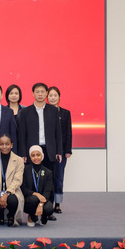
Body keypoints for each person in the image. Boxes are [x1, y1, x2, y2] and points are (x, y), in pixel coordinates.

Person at [17, 82, 63, 175]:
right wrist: (23, 154)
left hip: (49, 151)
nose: (40, 94)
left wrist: (59, 152)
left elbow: (58, 133)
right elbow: (22, 135)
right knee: (32, 178)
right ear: (33, 94)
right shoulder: (25, 112)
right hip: (32, 151)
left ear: (46, 93)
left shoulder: (53, 110)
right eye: (37, 92)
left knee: (49, 178)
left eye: (42, 92)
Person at [0, 134, 24, 226]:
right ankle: (0, 215)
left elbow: (17, 180)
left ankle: (11, 216)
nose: (4, 147)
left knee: (13, 200)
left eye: (7, 144)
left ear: (12, 145)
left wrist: (6, 194)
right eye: (1, 144)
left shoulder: (19, 160)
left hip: (12, 191)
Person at [47, 86, 72, 214]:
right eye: (50, 95)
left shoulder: (65, 113)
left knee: (59, 177)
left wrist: (67, 150)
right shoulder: (44, 112)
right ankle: (47, 202)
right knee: (48, 177)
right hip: (47, 150)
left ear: (59, 97)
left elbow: (68, 133)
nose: (53, 98)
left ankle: (57, 204)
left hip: (61, 150)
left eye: (55, 95)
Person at [21, 145, 54, 227]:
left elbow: (48, 191)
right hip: (29, 199)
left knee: (49, 208)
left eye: (38, 155)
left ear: (42, 156)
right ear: (30, 157)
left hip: (43, 199)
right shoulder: (25, 170)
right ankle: (32, 215)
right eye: (33, 155)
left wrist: (41, 204)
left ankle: (44, 215)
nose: (36, 158)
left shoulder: (48, 172)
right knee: (33, 199)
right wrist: (36, 194)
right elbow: (23, 188)